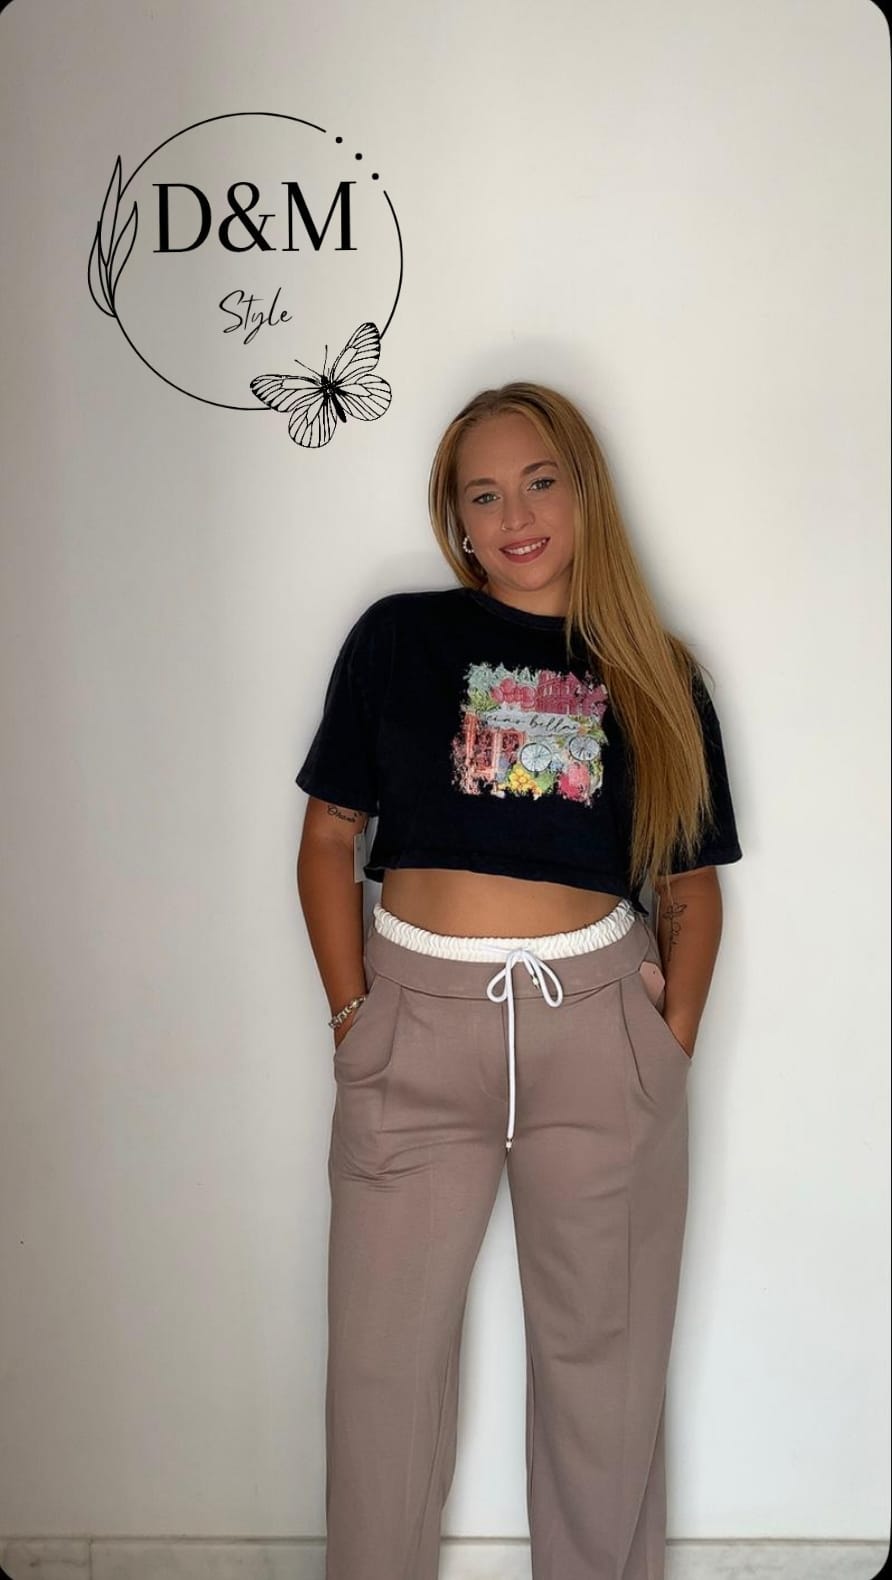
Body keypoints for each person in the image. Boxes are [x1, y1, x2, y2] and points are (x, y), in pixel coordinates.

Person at [294, 381, 742, 1580]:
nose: (515, 515)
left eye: (540, 481)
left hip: (596, 1031)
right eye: (482, 494)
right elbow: (329, 835)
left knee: (605, 1371)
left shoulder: (655, 673)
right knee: (381, 1374)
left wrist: (667, 1043)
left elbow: (690, 884)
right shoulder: (398, 639)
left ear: (585, 489)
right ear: (456, 518)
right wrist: (352, 1016)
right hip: (414, 1026)